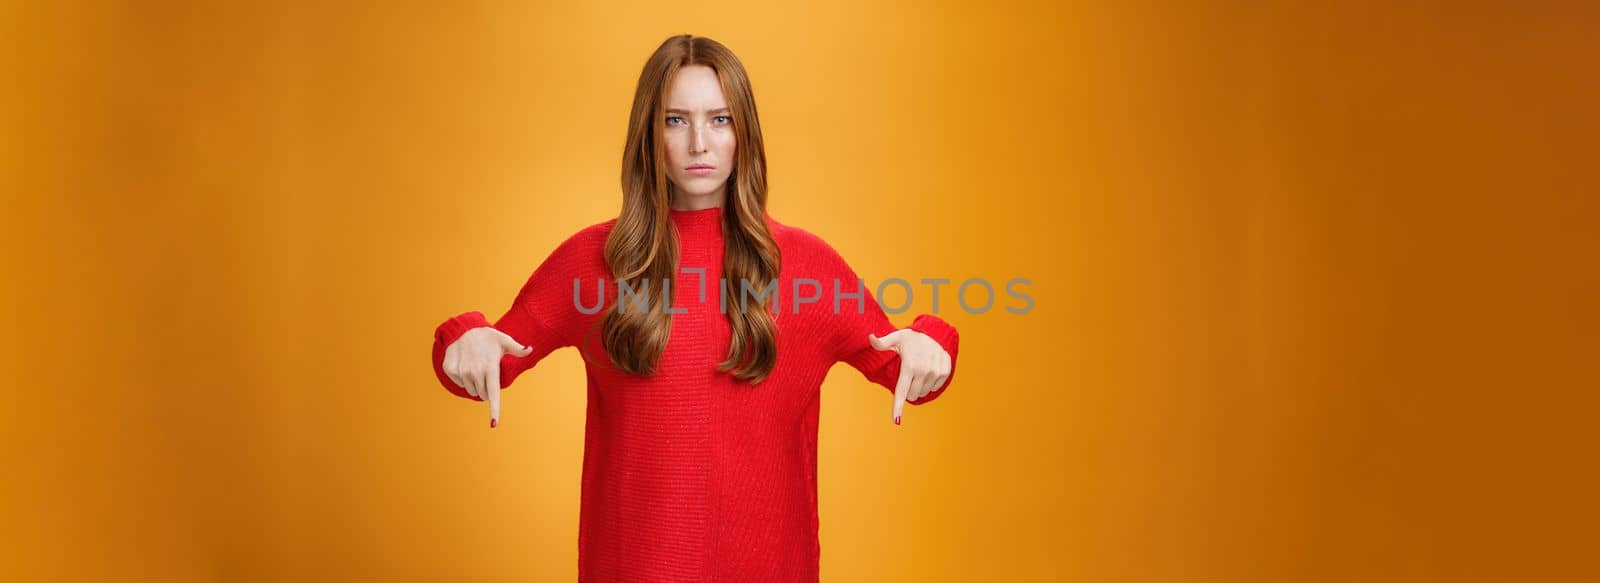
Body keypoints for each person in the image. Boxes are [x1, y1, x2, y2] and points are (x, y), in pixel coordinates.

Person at [430, 34, 959, 582]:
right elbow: (491, 357)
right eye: (676, 120)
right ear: (649, 134)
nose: (700, 143)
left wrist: (930, 340)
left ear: (744, 133)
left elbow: (904, 366)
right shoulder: (593, 262)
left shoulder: (808, 266)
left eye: (721, 120)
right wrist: (467, 337)